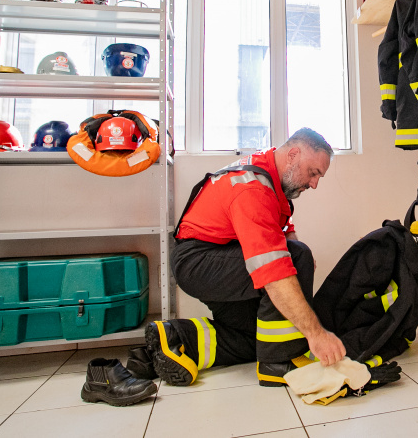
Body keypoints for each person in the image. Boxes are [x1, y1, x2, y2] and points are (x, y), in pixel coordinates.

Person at [144, 127, 346, 387]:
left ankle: (177, 338)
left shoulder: (268, 171)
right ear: (293, 155)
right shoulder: (252, 188)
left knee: (257, 337)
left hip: (215, 257)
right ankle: (279, 363)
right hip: (199, 261)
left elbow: (280, 221)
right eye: (313, 172)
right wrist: (316, 335)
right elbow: (274, 272)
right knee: (296, 258)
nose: (314, 183)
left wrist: (293, 246)